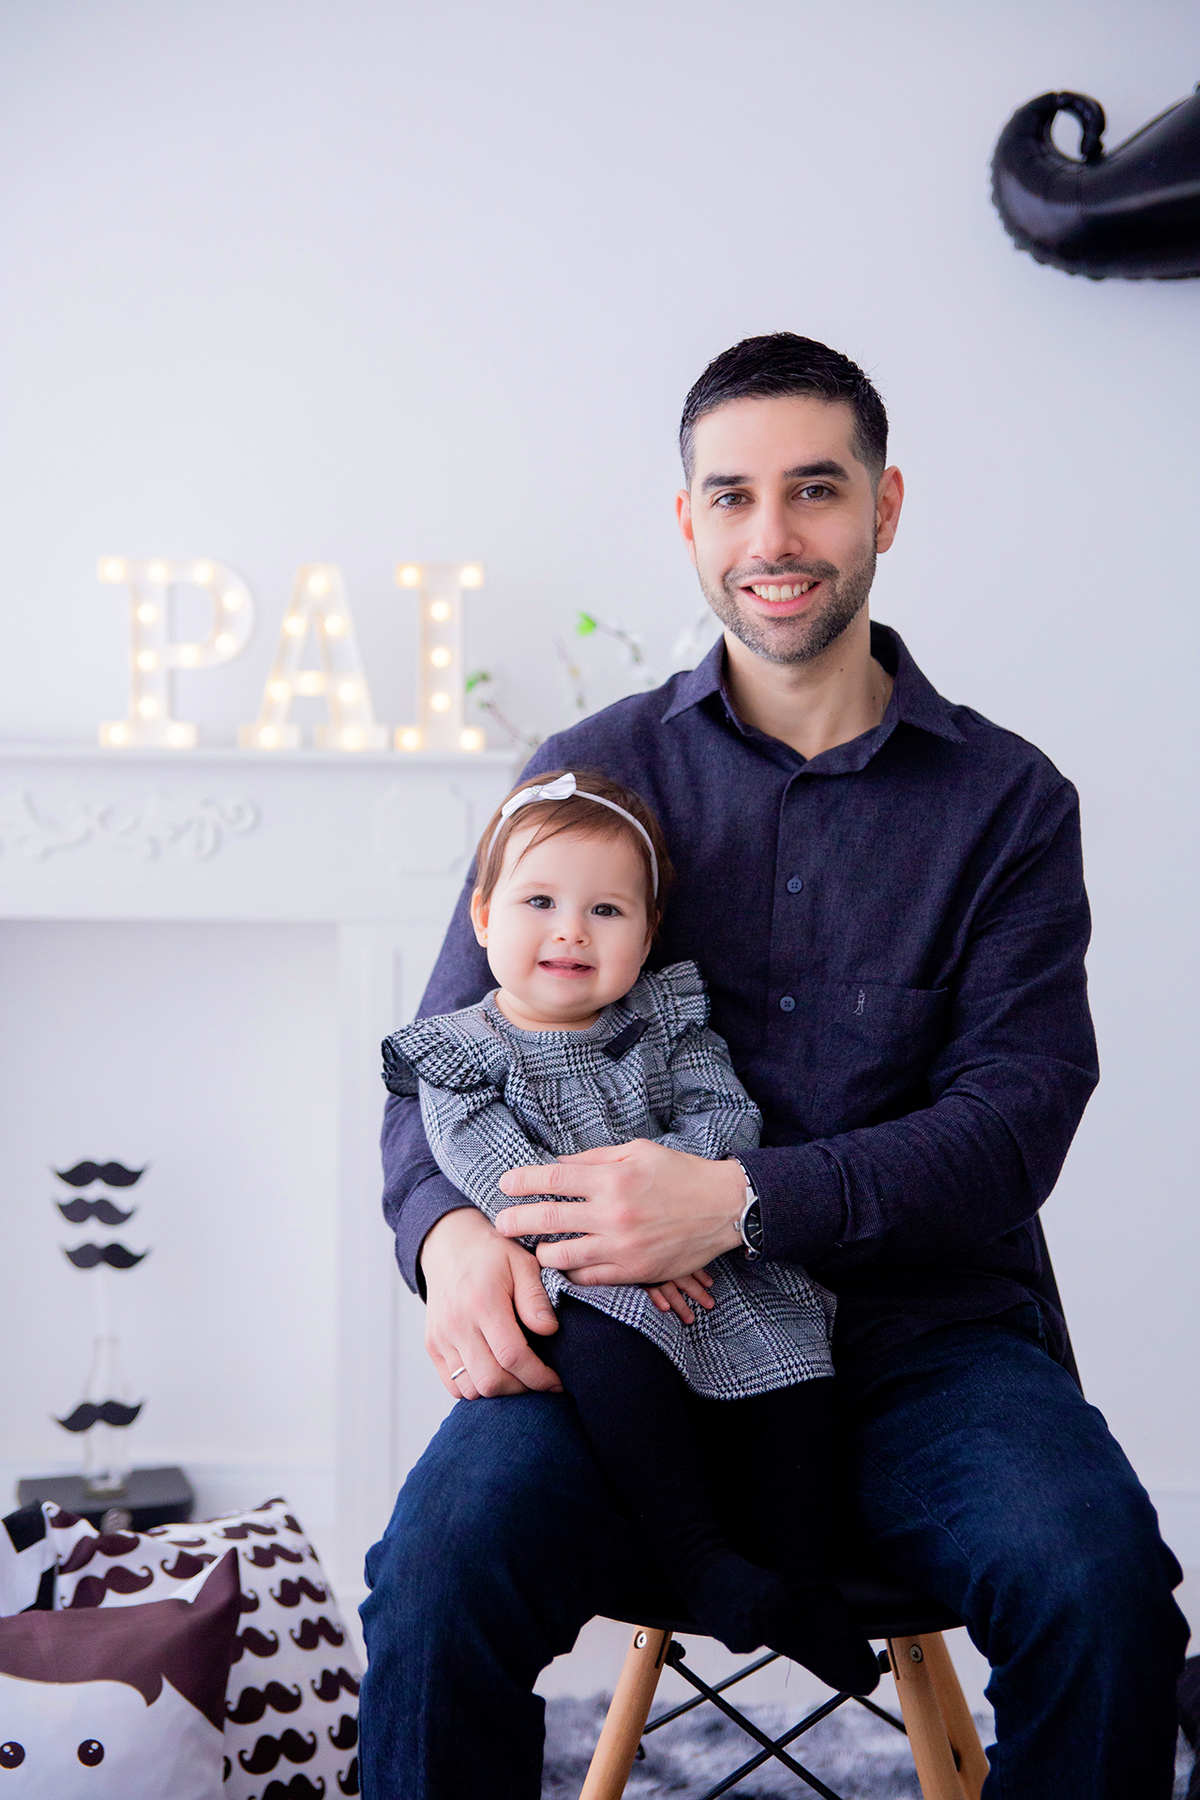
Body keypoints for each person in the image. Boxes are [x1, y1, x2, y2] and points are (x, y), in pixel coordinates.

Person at [359, 333, 1188, 1799]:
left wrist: (738, 1200)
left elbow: (1016, 1123)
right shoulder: (588, 771)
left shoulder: (1007, 804)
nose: (774, 537)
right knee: (436, 1573)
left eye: (815, 490)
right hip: (622, 1349)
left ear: (886, 507)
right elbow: (440, 1056)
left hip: (923, 1349)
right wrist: (452, 1234)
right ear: (688, 521)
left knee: (1102, 1585)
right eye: (732, 496)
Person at [381, 767, 879, 1696]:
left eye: (607, 911)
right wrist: (615, 1245)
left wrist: (687, 1204)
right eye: (540, 901)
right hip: (580, 1272)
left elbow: (722, 1114)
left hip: (710, 1253)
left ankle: (793, 1577)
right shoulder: (460, 1058)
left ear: (647, 935)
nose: (571, 929)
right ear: (482, 918)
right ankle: (702, 1566)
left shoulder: (667, 1022)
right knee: (606, 1354)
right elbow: (501, 1181)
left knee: (801, 1341)